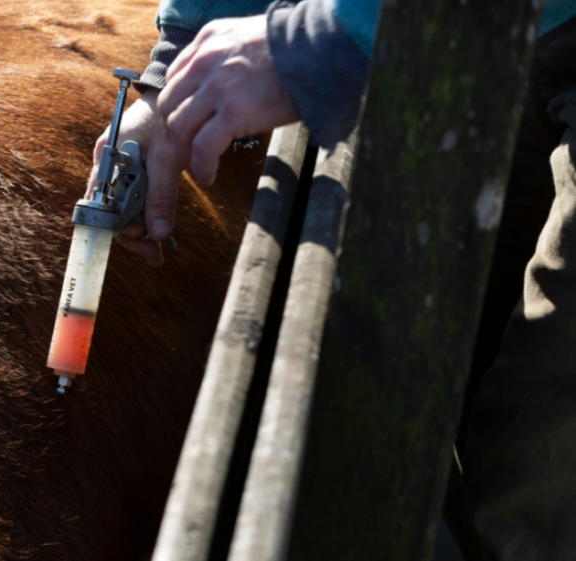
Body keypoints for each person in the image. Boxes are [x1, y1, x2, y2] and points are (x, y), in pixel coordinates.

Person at [93, 0, 576, 559]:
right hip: (494, 29)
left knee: (537, 474)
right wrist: (176, 68)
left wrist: (339, 34)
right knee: (473, 386)